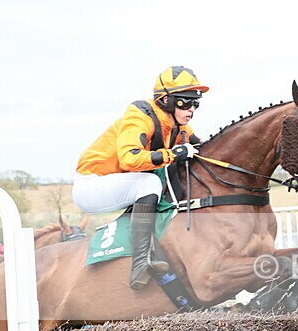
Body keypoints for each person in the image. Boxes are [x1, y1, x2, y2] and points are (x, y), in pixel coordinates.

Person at [74, 66, 208, 289]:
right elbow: (129, 158)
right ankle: (140, 264)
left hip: (122, 184)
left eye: (196, 103)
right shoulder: (139, 116)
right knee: (150, 181)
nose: (191, 109)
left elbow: (204, 148)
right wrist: (173, 153)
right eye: (185, 102)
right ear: (165, 100)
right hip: (92, 184)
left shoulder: (178, 127)